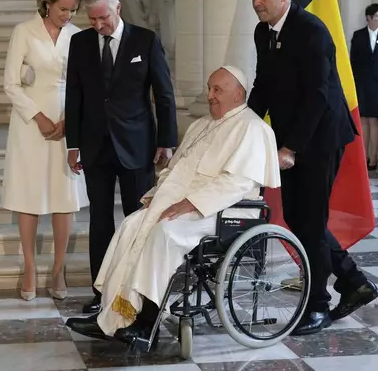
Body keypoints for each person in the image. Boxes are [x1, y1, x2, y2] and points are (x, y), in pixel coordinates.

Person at [65, 66, 281, 345]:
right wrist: (158, 195)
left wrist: (190, 203)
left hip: (223, 210)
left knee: (163, 234)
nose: (210, 95)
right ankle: (112, 314)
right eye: (209, 88)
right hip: (185, 204)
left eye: (218, 90)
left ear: (238, 94)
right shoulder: (200, 125)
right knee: (132, 224)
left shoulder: (253, 128)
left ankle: (146, 325)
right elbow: (174, 170)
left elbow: (237, 184)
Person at [247, 0, 378, 336]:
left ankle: (317, 306)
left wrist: (292, 148)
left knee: (310, 220)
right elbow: (264, 85)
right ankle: (353, 281)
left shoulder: (311, 30)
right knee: (301, 219)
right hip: (291, 138)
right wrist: (240, 125)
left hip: (320, 138)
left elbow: (319, 96)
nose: (257, 3)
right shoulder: (263, 32)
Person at [64, 0, 178, 314]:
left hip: (137, 147)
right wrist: (73, 144)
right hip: (95, 146)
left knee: (137, 219)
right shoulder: (80, 43)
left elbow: (165, 95)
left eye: (103, 18)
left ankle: (136, 291)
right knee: (100, 222)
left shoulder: (146, 40)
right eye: (92, 19)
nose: (98, 25)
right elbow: (74, 97)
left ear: (118, 9)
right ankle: (101, 292)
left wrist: (167, 141)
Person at [2, 0, 88, 301]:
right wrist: (37, 116)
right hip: (29, 123)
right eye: (64, 9)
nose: (68, 15)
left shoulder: (78, 36)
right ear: (48, 3)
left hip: (67, 120)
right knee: (29, 194)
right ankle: (29, 266)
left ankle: (58, 268)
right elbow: (10, 83)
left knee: (63, 195)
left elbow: (83, 84)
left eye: (73, 11)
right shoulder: (24, 31)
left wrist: (69, 121)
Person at [350, 3, 378, 171]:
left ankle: (374, 158)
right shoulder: (358, 35)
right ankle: (363, 156)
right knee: (363, 120)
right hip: (362, 83)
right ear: (368, 18)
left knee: (375, 120)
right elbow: (353, 60)